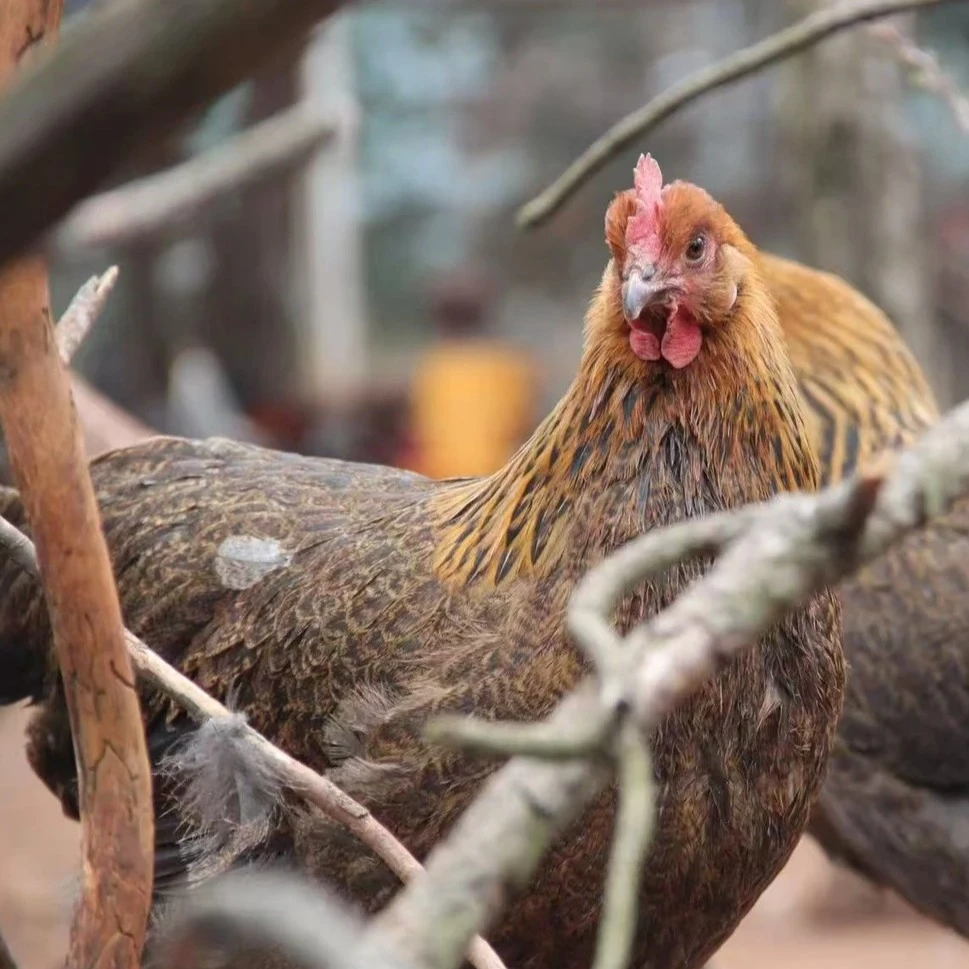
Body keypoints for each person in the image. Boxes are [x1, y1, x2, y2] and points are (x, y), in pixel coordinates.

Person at [407, 270, 538, 479]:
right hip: (497, 483)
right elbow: (522, 427)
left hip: (442, 486)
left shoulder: (431, 368)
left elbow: (422, 435)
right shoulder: (510, 365)